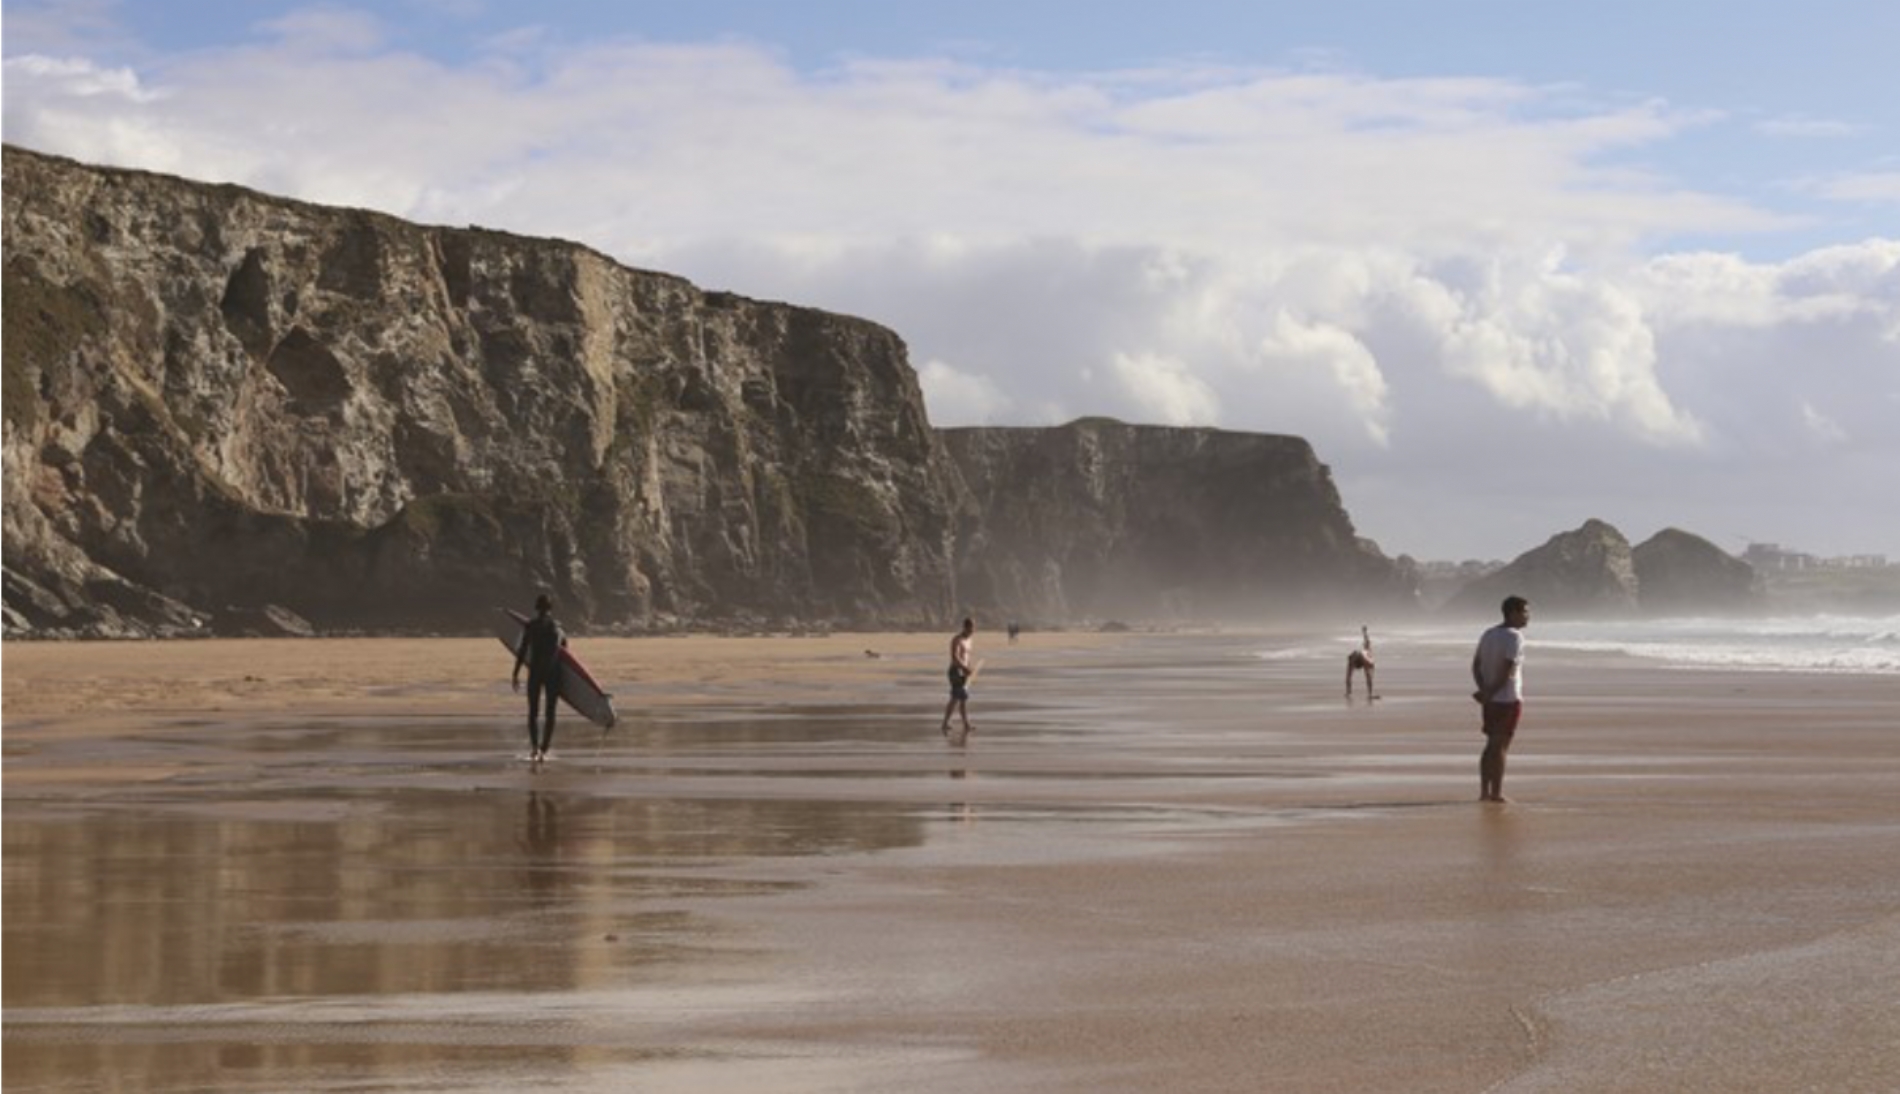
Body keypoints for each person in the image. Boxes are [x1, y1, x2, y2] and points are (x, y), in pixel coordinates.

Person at [1471, 596, 1531, 802]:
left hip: (1490, 699)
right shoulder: (1515, 637)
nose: (1528, 617)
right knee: (1500, 746)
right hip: (1507, 698)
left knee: (1490, 745)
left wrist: (1484, 690)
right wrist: (1491, 691)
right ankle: (1496, 793)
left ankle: (1484, 791)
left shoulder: (1488, 634)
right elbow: (1508, 669)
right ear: (1513, 612)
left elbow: (1476, 665)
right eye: (1525, 612)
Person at [512, 592, 567, 763]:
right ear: (550, 609)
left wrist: (515, 673)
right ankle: (544, 750)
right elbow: (565, 654)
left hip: (536, 672)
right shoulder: (557, 628)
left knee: (533, 712)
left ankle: (535, 749)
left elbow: (522, 650)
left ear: (537, 609)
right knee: (550, 713)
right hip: (553, 673)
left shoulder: (531, 626)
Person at [941, 617, 976, 739]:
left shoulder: (969, 640)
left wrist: (969, 668)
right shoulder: (957, 639)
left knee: (958, 698)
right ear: (965, 627)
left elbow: (967, 657)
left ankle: (949, 723)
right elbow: (954, 657)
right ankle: (956, 724)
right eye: (971, 628)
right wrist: (964, 668)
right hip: (955, 671)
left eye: (973, 628)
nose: (973, 631)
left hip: (964, 672)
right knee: (959, 697)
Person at [1346, 624, 1375, 697]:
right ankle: (1369, 693)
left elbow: (1348, 677)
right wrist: (1364, 633)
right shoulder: (1355, 658)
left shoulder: (1365, 656)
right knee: (1368, 675)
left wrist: (1365, 633)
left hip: (1362, 658)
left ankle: (1349, 692)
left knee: (1368, 675)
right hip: (1360, 658)